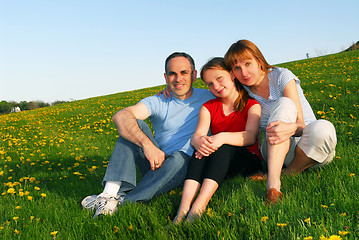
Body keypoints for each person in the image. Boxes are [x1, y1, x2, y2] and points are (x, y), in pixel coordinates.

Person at [81, 52, 215, 218]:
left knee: (179, 158)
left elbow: (234, 91)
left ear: (194, 75)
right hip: (156, 163)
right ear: (166, 78)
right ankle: (108, 194)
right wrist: (148, 145)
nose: (178, 79)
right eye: (172, 74)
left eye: (184, 73)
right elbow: (120, 116)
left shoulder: (210, 96)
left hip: (186, 167)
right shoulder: (158, 100)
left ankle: (125, 201)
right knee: (131, 123)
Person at [224, 40, 337, 205]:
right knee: (283, 109)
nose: (244, 72)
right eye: (237, 68)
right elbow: (215, 85)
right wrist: (174, 89)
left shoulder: (281, 76)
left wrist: (290, 128)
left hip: (313, 149)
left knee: (320, 125)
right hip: (278, 153)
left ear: (259, 61)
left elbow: (301, 126)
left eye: (248, 63)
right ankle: (273, 185)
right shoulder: (242, 92)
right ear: (232, 73)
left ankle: (284, 174)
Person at [173, 57, 263, 224]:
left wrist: (221, 137)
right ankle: (182, 211)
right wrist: (199, 141)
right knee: (201, 148)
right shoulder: (208, 107)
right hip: (221, 165)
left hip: (248, 161)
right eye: (210, 84)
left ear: (231, 75)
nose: (216, 86)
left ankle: (199, 207)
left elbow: (250, 137)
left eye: (219, 78)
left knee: (221, 145)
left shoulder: (251, 105)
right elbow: (197, 135)